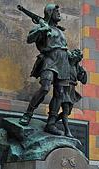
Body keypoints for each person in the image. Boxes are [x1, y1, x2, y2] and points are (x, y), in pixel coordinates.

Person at [19, 3, 75, 135]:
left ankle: (51, 123)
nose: (59, 13)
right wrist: (40, 30)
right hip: (50, 59)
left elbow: (64, 47)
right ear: (50, 13)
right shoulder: (41, 26)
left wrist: (71, 56)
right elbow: (29, 39)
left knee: (59, 94)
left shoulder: (61, 31)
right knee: (45, 87)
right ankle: (28, 113)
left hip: (63, 61)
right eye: (57, 11)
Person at [49, 49, 87, 137]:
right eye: (73, 53)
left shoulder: (77, 67)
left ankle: (51, 122)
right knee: (65, 110)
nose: (73, 55)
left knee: (68, 112)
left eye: (76, 54)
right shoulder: (65, 63)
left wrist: (83, 74)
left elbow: (84, 81)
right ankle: (67, 131)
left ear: (78, 59)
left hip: (71, 90)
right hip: (64, 87)